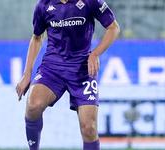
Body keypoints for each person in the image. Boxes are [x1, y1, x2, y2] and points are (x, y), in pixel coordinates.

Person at [16, 0, 120, 149]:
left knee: (89, 128)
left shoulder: (91, 2)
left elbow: (114, 28)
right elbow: (37, 38)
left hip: (82, 70)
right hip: (52, 68)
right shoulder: (43, 5)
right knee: (33, 106)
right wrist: (27, 74)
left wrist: (95, 53)